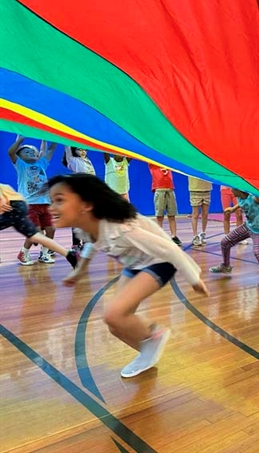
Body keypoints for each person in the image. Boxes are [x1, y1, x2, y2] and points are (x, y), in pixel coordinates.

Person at [48, 173, 208, 378]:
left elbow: (170, 249)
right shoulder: (86, 228)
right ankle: (148, 349)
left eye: (59, 200)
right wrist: (80, 270)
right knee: (115, 325)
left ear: (86, 204)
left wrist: (194, 278)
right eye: (51, 201)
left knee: (113, 314)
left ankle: (155, 336)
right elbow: (91, 244)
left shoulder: (122, 228)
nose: (51, 207)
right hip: (134, 265)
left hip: (160, 262)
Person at [209, 189, 259, 290]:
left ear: (240, 189)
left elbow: (257, 195)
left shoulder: (255, 197)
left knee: (258, 251)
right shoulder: (240, 197)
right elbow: (242, 203)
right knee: (225, 242)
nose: (231, 190)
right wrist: (233, 209)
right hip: (248, 227)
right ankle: (226, 266)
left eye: (233, 188)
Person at [8, 135, 58, 265]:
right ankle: (23, 253)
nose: (31, 152)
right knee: (35, 232)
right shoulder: (21, 165)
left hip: (45, 204)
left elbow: (51, 148)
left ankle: (45, 253)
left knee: (51, 230)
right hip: (29, 205)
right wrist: (21, 139)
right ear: (19, 156)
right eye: (26, 151)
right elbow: (10, 152)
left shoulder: (41, 163)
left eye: (33, 151)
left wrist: (53, 135)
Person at [0, 184, 77, 268]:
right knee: (36, 236)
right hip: (20, 204)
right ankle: (69, 255)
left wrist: (2, 199)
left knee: (38, 235)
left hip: (12, 205)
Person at [63, 146, 97, 251]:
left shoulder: (88, 161)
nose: (82, 151)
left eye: (85, 149)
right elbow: (67, 147)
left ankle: (86, 242)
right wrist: (68, 139)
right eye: (79, 149)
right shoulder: (73, 160)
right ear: (74, 150)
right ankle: (76, 244)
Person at [148, 164, 181, 245]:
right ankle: (159, 236)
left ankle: (174, 236)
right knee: (159, 216)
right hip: (159, 190)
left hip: (170, 190)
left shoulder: (167, 164)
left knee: (172, 215)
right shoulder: (153, 164)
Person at [187, 176, 212, 247]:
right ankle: (195, 236)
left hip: (207, 189)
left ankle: (203, 233)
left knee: (205, 214)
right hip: (195, 189)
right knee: (195, 214)